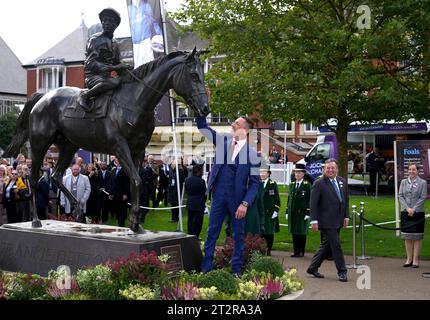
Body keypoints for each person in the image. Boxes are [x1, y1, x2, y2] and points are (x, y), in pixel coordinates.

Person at [196, 115, 260, 275]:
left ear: (244, 130)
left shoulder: (253, 155)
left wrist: (245, 204)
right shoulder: (222, 143)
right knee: (212, 232)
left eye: (236, 123)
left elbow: (254, 184)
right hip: (218, 197)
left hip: (238, 201)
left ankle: (236, 269)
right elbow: (204, 128)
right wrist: (201, 111)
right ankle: (206, 267)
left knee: (238, 235)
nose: (232, 125)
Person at [79, 7, 132, 111]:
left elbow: (118, 63)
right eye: (105, 20)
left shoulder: (115, 44)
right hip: (93, 78)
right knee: (115, 82)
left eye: (110, 21)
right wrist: (115, 67)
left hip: (106, 79)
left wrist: (127, 70)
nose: (107, 23)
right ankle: (85, 96)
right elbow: (91, 64)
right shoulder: (95, 40)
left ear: (115, 25)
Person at [307, 158, 349, 282]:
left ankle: (313, 267)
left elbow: (346, 200)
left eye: (333, 168)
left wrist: (346, 216)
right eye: (328, 168)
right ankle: (342, 271)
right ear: (324, 169)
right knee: (336, 245)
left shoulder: (342, 181)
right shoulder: (319, 183)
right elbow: (313, 204)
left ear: (337, 169)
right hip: (326, 221)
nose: (331, 170)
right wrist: (313, 220)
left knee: (327, 245)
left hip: (339, 219)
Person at [398, 163, 427, 268]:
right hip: (405, 212)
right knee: (407, 236)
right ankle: (409, 259)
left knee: (417, 237)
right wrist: (407, 208)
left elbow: (423, 197)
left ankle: (415, 260)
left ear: (417, 171)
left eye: (414, 169)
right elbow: (400, 195)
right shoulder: (403, 182)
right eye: (410, 169)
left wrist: (414, 209)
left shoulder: (422, 183)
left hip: (418, 213)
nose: (411, 171)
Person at [127, 0, 164, 66]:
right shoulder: (129, 9)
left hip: (146, 41)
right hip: (135, 43)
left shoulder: (146, 6)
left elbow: (153, 22)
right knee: (138, 67)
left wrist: (160, 34)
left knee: (149, 65)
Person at [286, 163, 311, 258]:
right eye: (296, 173)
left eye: (299, 173)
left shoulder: (307, 185)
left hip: (302, 213)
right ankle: (296, 251)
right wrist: (287, 211)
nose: (297, 175)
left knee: (301, 233)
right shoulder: (292, 184)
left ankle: (301, 251)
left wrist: (308, 212)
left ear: (303, 174)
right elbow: (289, 199)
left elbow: (310, 199)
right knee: (294, 232)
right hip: (293, 213)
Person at [260, 165, 281, 256]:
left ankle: (268, 250)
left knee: (269, 233)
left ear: (268, 174)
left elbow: (277, 199)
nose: (262, 174)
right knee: (260, 233)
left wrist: (276, 211)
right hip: (260, 212)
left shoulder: (273, 184)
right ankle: (260, 250)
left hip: (270, 213)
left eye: (264, 172)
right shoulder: (256, 183)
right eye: (260, 172)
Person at [184, 164, 207, 239]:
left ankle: (190, 233)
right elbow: (204, 193)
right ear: (199, 172)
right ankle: (195, 235)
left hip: (190, 201)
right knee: (198, 221)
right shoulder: (201, 181)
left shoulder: (187, 180)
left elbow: (186, 191)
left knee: (190, 220)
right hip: (199, 203)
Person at [106, 160, 130, 227]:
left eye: (120, 161)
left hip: (122, 194)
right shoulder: (113, 170)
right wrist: (110, 193)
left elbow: (126, 183)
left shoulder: (125, 170)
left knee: (122, 210)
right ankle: (118, 222)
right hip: (114, 194)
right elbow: (111, 183)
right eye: (117, 161)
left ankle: (121, 224)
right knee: (116, 209)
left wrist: (125, 193)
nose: (118, 162)